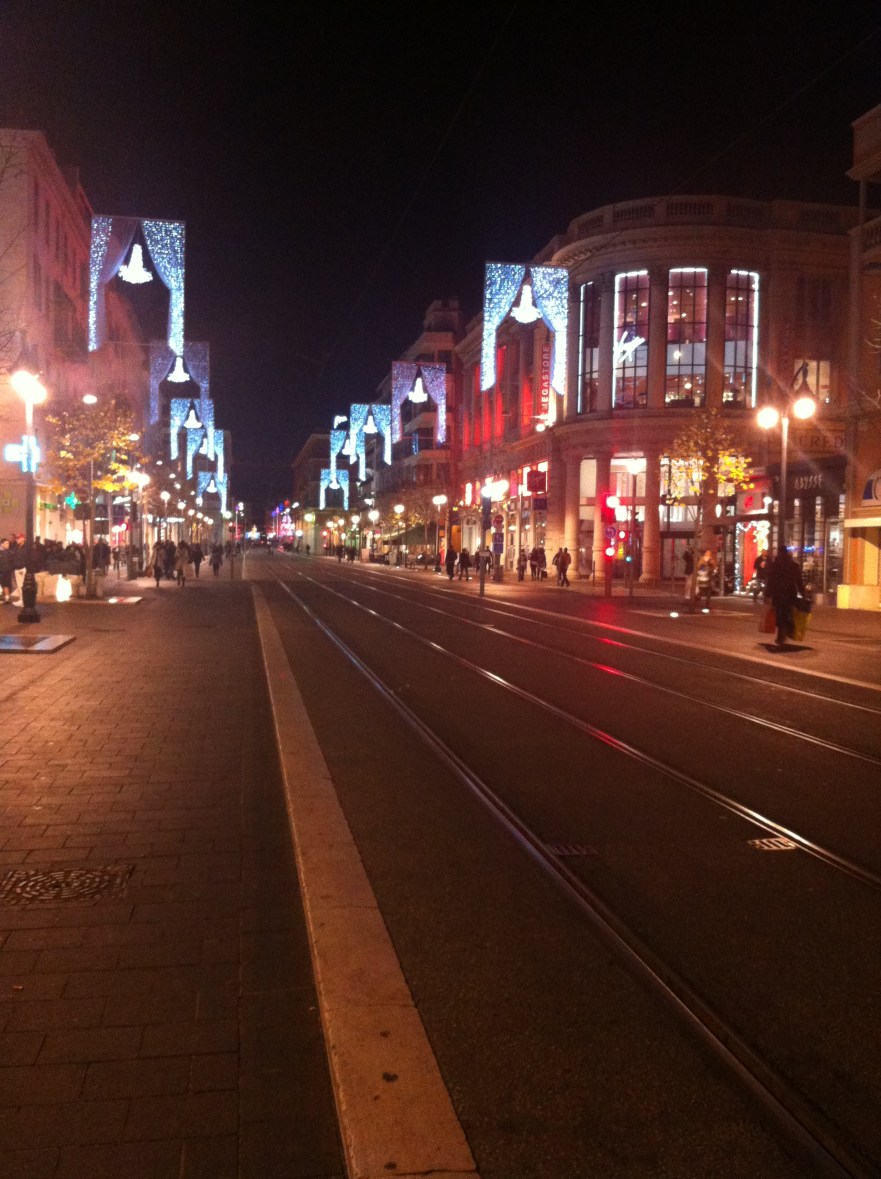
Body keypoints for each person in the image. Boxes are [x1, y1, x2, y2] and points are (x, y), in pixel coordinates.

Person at [764, 548, 805, 648]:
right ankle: (785, 632)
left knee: (779, 615)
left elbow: (770, 582)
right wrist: (802, 592)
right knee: (787, 613)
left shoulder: (774, 566)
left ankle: (780, 635)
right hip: (790, 594)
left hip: (777, 594)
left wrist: (768, 594)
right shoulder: (794, 566)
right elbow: (799, 581)